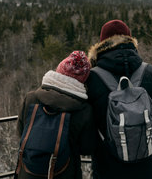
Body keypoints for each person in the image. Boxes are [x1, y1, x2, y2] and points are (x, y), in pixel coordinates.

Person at [86, 20, 152, 179]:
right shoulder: (151, 73)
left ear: (101, 44)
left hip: (108, 170)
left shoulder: (92, 78)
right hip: (149, 169)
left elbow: (85, 128)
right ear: (131, 41)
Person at [16, 51, 94, 179]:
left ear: (59, 70)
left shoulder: (30, 98)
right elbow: (87, 148)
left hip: (28, 172)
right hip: (65, 173)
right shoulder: (84, 110)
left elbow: (21, 133)